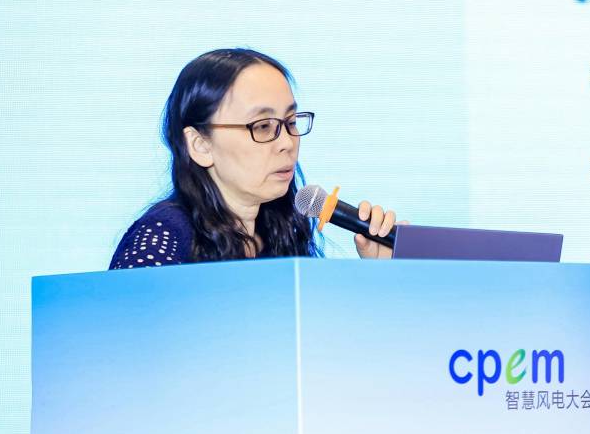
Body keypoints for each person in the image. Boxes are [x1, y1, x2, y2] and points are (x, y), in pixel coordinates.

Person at [109, 48, 405, 270]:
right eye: (263, 126)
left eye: (291, 122)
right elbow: (124, 329)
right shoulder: (164, 235)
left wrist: (382, 274)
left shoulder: (280, 230)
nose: (287, 143)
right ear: (200, 145)